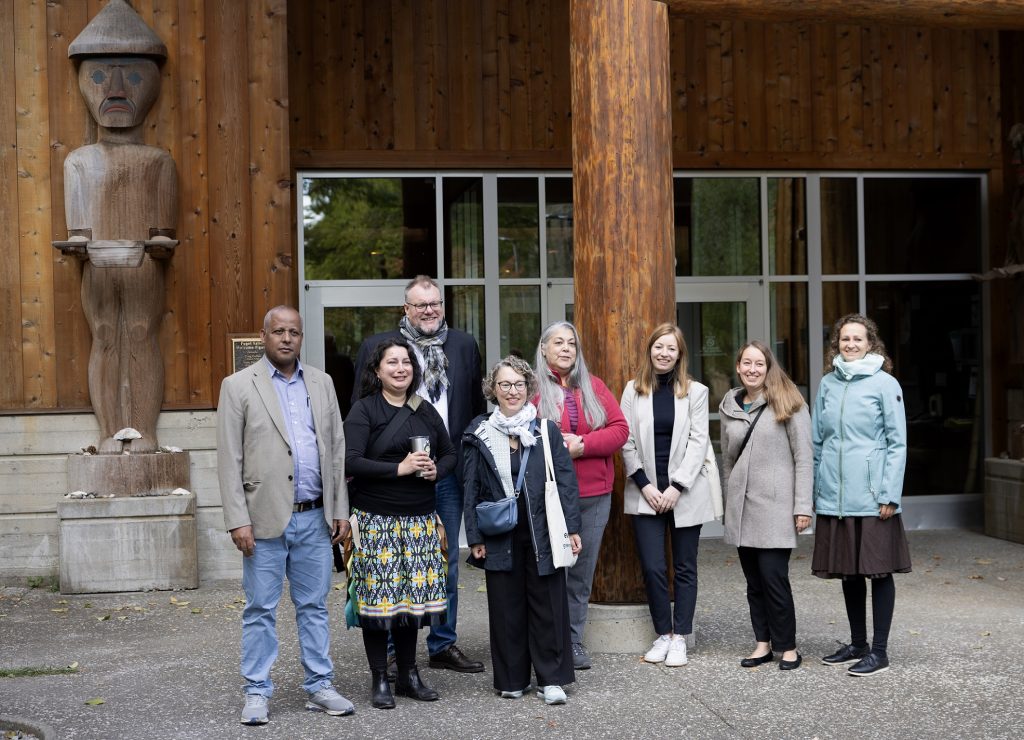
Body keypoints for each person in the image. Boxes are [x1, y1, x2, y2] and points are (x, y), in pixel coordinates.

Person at [217, 306, 354, 725]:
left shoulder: (322, 382)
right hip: (262, 520)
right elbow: (229, 457)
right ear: (264, 336)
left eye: (294, 332)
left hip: (315, 518)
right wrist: (237, 519)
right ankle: (256, 691)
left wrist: (340, 510)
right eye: (279, 331)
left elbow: (335, 449)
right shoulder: (238, 386)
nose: (287, 338)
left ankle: (319, 686)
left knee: (313, 606)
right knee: (260, 608)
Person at [58, 0, 178, 453]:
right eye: (97, 76)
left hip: (142, 264)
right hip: (99, 266)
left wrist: (160, 245)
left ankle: (145, 431)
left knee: (142, 334)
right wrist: (76, 246)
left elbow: (163, 229)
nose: (113, 87)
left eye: (131, 75)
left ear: (152, 83)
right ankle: (108, 432)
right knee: (105, 335)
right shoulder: (79, 161)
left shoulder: (158, 161)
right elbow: (78, 231)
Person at [352, 276, 485, 673]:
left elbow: (475, 407)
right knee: (395, 562)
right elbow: (361, 402)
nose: (429, 310)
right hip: (391, 474)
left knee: (442, 559)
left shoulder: (463, 345)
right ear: (405, 309)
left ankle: (442, 643)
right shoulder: (383, 348)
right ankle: (393, 649)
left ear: (442, 306)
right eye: (420, 304)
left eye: (435, 303)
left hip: (446, 469)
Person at [463, 356, 582, 705]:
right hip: (499, 534)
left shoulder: (545, 430)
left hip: (542, 531)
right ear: (493, 390)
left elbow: (566, 483)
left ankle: (552, 679)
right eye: (504, 384)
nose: (512, 391)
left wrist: (572, 528)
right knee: (505, 607)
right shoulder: (478, 432)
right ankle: (511, 678)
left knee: (548, 605)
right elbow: (469, 488)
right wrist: (474, 537)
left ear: (529, 389)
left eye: (518, 384)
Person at [344, 338, 457, 709]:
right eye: (391, 362)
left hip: (420, 520)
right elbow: (351, 461)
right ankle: (380, 679)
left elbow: (451, 452)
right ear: (377, 371)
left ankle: (409, 675)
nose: (400, 368)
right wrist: (401, 468)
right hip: (376, 521)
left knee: (411, 604)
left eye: (406, 362)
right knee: (378, 605)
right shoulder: (364, 410)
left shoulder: (424, 410)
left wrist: (437, 469)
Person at [812, 313, 912, 677]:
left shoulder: (886, 384)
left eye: (858, 339)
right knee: (849, 573)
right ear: (836, 344)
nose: (850, 345)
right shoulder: (827, 384)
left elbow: (897, 443)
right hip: (836, 495)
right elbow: (818, 442)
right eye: (844, 339)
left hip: (872, 496)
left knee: (879, 572)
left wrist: (889, 494)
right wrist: (816, 490)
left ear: (871, 344)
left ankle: (880, 652)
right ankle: (858, 644)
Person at [533, 321, 629, 670]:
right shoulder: (531, 391)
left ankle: (572, 641)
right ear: (543, 349)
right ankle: (546, 641)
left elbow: (620, 430)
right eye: (557, 342)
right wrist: (558, 448)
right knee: (547, 572)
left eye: (571, 343)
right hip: (548, 496)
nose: (566, 348)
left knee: (579, 574)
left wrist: (584, 445)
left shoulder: (595, 387)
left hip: (592, 496)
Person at [620, 323, 716, 667]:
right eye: (659, 347)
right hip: (644, 490)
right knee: (653, 567)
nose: (664, 353)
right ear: (650, 350)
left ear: (680, 354)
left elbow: (698, 441)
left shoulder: (696, 391)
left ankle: (681, 637)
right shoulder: (633, 390)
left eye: (671, 349)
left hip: (684, 493)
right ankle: (663, 633)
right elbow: (625, 439)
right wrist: (646, 485)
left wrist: (676, 486)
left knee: (685, 567)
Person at [719, 340, 813, 671]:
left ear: (768, 367)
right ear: (738, 366)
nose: (752, 369)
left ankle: (788, 647)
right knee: (754, 583)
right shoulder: (729, 405)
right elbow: (728, 460)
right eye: (747, 363)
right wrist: (728, 502)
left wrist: (803, 506)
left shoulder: (789, 401)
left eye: (759, 363)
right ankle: (763, 644)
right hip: (742, 508)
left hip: (776, 508)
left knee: (774, 579)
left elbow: (804, 457)